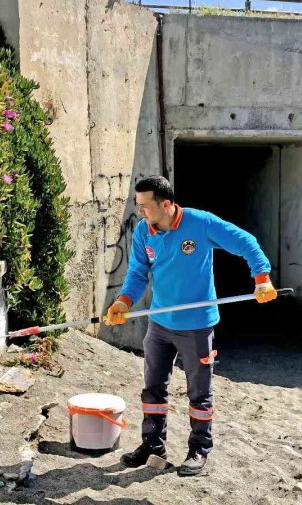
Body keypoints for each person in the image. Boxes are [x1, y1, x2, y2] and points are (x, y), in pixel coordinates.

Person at [104, 175, 277, 476]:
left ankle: (198, 449)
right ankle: (153, 445)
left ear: (167, 204)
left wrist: (261, 278)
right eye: (138, 205)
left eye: (145, 205)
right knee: (153, 389)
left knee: (199, 393)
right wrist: (123, 302)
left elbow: (245, 242)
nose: (141, 211)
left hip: (197, 326)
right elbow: (136, 273)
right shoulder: (145, 231)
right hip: (159, 324)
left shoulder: (201, 223)